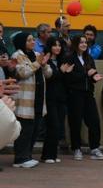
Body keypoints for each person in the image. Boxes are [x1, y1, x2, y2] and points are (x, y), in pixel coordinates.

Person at [11, 33, 52, 168]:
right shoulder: (17, 56)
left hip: (39, 98)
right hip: (25, 99)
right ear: (22, 42)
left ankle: (27, 156)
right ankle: (20, 158)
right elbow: (22, 73)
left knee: (35, 128)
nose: (33, 42)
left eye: (33, 39)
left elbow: (49, 74)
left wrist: (45, 65)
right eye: (29, 40)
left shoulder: (36, 54)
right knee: (25, 130)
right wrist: (37, 63)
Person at [63, 35, 103, 161]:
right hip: (75, 94)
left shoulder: (89, 58)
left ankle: (95, 148)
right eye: (81, 42)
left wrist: (94, 78)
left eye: (85, 42)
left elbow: (92, 74)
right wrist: (85, 75)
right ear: (76, 44)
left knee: (94, 121)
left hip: (88, 94)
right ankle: (76, 148)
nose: (84, 44)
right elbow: (68, 78)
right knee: (75, 122)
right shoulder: (69, 58)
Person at [41, 37, 67, 163]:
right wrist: (61, 72)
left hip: (61, 98)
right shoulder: (46, 61)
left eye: (59, 45)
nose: (57, 48)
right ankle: (47, 155)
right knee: (53, 126)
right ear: (49, 47)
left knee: (59, 127)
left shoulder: (62, 60)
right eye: (54, 45)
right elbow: (49, 77)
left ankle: (53, 154)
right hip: (49, 98)